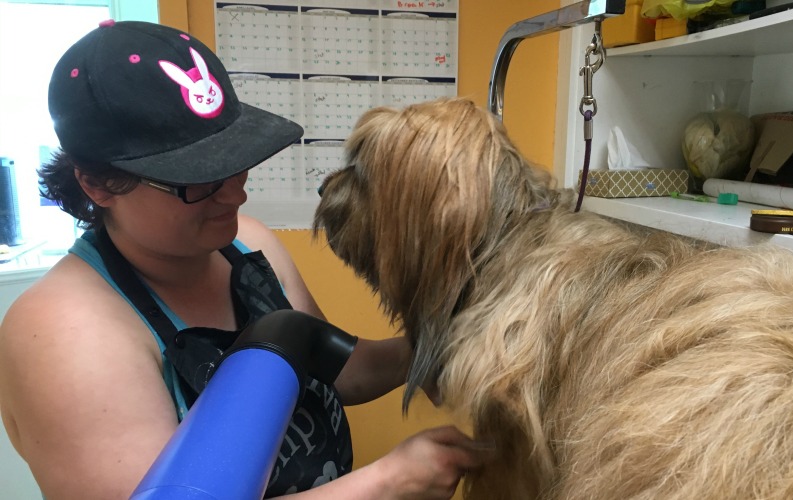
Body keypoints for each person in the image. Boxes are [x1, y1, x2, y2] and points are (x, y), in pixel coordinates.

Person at [0, 20, 488, 499]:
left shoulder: (247, 245)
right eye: (200, 177)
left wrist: (447, 342)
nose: (236, 193)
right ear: (99, 183)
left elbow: (342, 369)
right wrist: (387, 484)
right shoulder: (65, 336)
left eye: (235, 162)